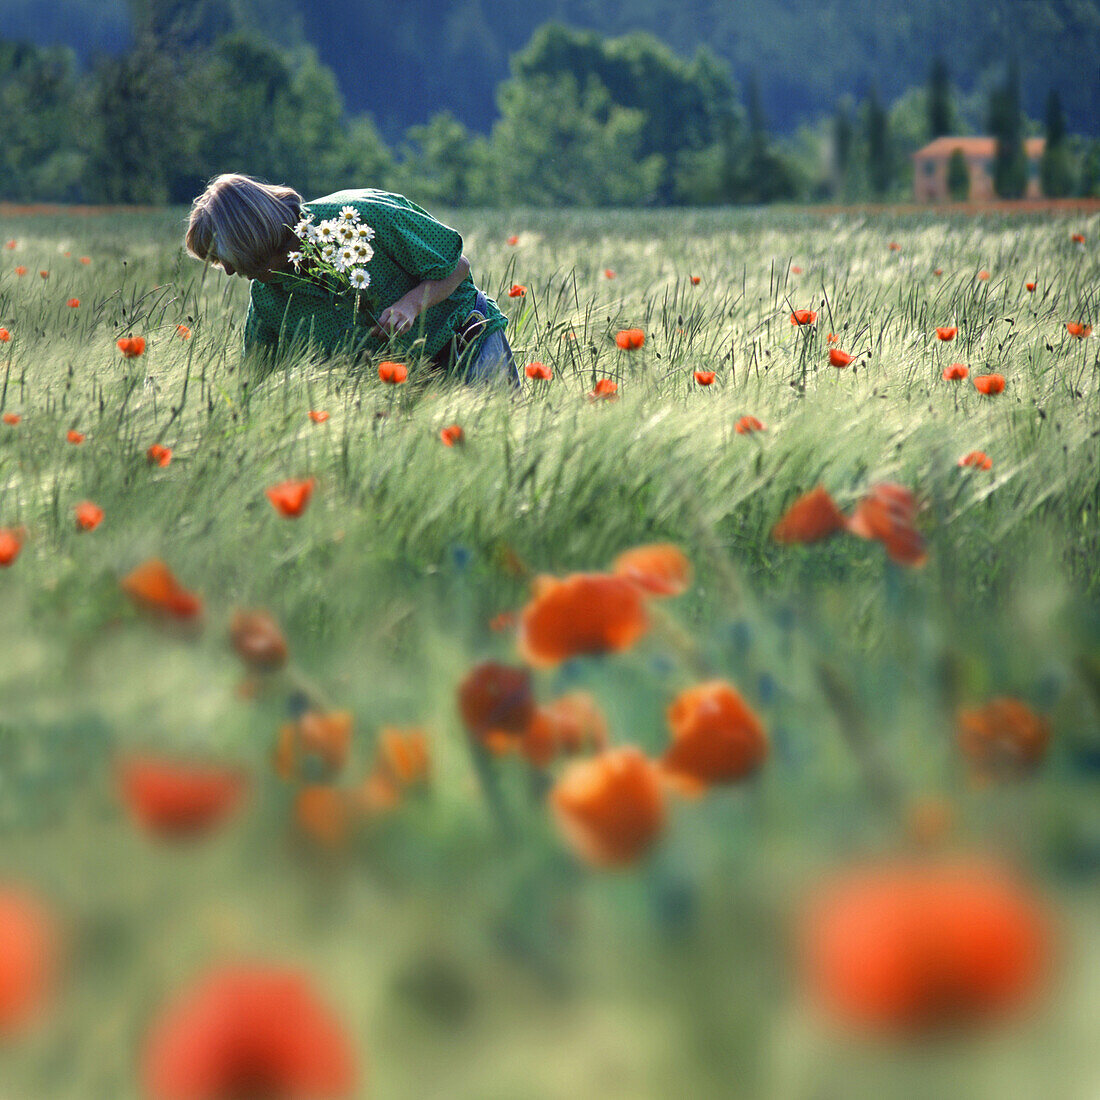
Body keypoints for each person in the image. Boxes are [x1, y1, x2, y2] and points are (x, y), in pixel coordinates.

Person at [184, 174, 518, 386]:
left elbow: (456, 268)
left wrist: (409, 305)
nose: (227, 271)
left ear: (248, 237)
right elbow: (253, 380)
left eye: (223, 258)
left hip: (467, 347)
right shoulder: (269, 299)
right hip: (407, 392)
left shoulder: (361, 216)